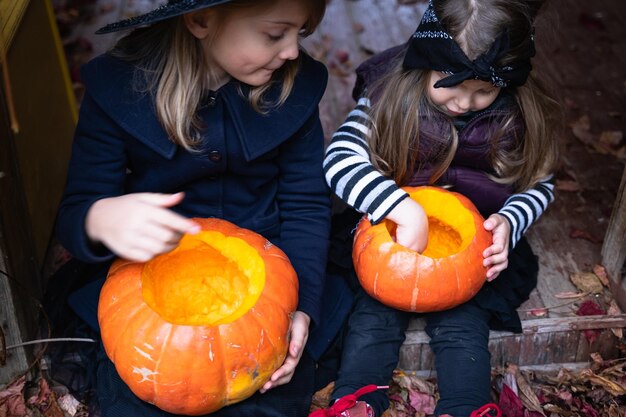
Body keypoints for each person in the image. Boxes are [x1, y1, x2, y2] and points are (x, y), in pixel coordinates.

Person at [54, 0, 332, 416]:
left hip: (268, 269)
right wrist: (101, 217)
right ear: (200, 19)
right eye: (276, 34)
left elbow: (306, 204)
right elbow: (76, 210)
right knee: (140, 395)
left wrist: (303, 307)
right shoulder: (120, 90)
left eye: (301, 34)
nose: (292, 51)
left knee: (268, 396)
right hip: (149, 275)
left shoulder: (294, 86)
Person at [315, 0, 560, 416]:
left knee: (463, 322)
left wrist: (510, 219)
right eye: (451, 84)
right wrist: (400, 208)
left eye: (483, 91)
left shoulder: (514, 117)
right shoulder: (387, 97)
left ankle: (466, 405)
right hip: (390, 237)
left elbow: (541, 185)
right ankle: (357, 399)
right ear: (425, 62)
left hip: (471, 247)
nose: (463, 103)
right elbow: (338, 159)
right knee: (372, 313)